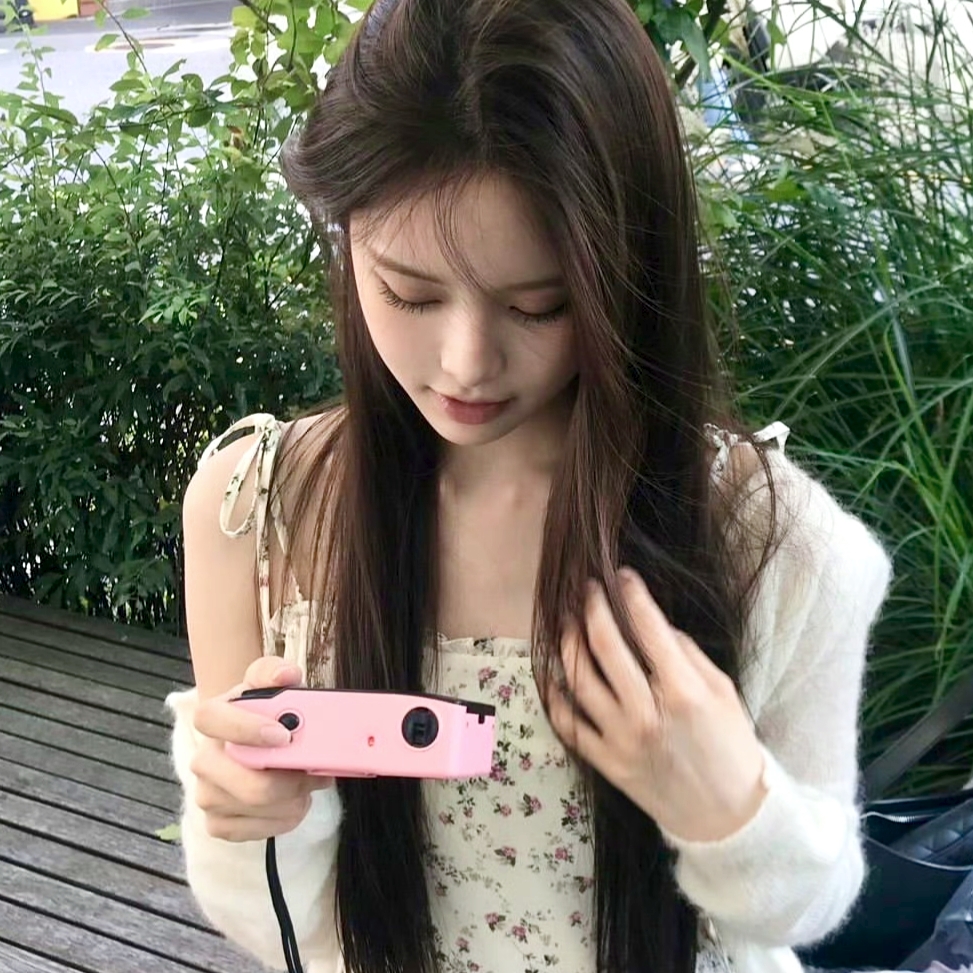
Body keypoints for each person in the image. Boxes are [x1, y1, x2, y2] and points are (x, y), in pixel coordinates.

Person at [165, 1, 892, 971]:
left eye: (540, 305)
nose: (466, 362)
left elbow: (806, 907)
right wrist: (250, 818)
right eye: (409, 292)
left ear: (626, 276)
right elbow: (277, 928)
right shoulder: (257, 510)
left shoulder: (769, 538)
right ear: (344, 240)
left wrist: (729, 806)